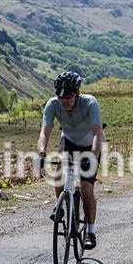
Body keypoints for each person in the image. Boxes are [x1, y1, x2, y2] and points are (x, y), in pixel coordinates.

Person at [37, 71, 105, 250]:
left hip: (91, 144)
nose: (63, 101)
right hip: (68, 141)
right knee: (59, 171)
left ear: (77, 92)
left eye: (67, 97)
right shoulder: (53, 104)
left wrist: (91, 156)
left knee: (85, 189)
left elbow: (98, 133)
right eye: (60, 97)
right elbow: (45, 132)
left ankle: (90, 231)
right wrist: (42, 154)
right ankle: (59, 206)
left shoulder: (90, 102)